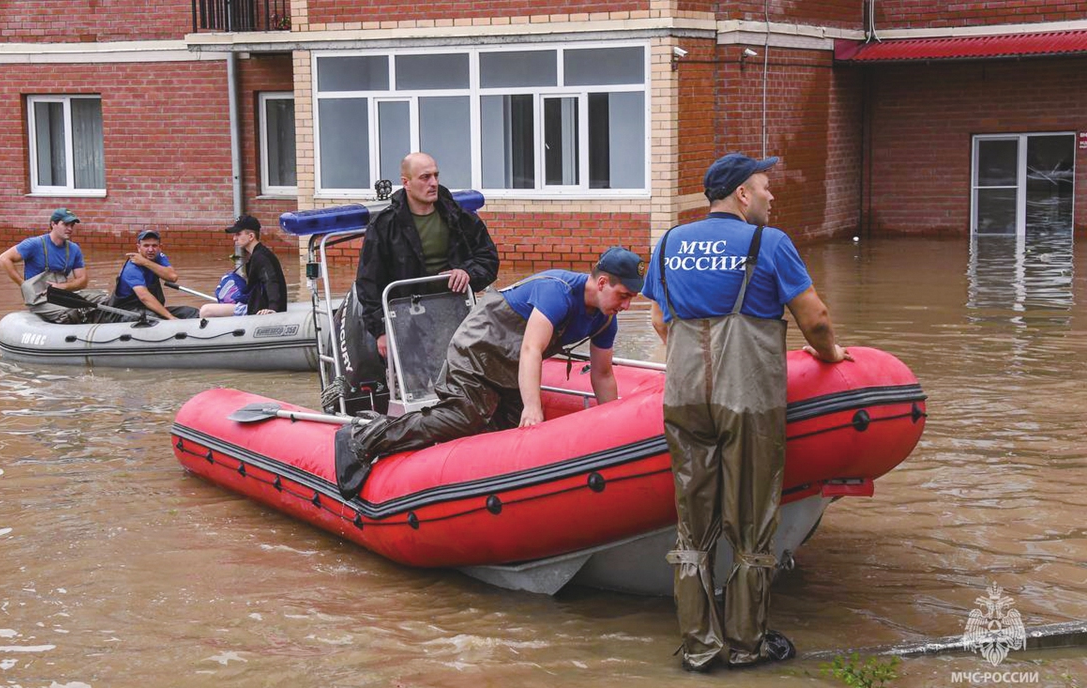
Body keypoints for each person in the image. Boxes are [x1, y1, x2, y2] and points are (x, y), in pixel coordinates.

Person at [642, 153, 850, 672]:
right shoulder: (770, 244)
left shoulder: (668, 243)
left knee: (693, 524)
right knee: (751, 520)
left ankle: (698, 644)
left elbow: (658, 319)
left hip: (684, 395)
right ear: (742, 195)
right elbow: (816, 319)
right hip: (748, 397)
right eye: (764, 187)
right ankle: (744, 644)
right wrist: (832, 357)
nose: (771, 196)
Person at [333, 247, 644, 499]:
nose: (627, 306)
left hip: (509, 369)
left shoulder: (605, 319)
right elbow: (531, 350)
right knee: (464, 415)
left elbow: (602, 375)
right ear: (602, 282)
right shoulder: (558, 292)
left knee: (508, 440)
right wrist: (533, 408)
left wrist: (613, 425)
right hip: (479, 350)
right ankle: (364, 437)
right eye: (624, 296)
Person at [355, 152, 499, 359]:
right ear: (406, 182)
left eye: (436, 176)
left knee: (459, 381)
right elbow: (369, 282)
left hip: (453, 314)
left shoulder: (458, 216)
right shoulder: (384, 226)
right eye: (425, 177)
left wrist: (467, 273)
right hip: (406, 319)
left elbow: (488, 259)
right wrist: (380, 331)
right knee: (413, 386)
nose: (433, 183)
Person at [0, 208, 108, 324]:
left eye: (72, 225)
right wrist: (23, 284)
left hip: (62, 295)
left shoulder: (74, 249)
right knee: (70, 313)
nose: (69, 229)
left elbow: (82, 280)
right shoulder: (34, 244)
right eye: (65, 224)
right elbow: (3, 259)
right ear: (53, 224)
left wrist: (62, 287)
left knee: (103, 299)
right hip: (40, 299)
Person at [100, 229, 200, 321]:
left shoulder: (158, 257)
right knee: (154, 319)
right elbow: (144, 296)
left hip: (148, 309)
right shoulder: (131, 268)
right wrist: (170, 317)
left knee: (191, 312)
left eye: (154, 246)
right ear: (138, 248)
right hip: (123, 313)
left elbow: (172, 277)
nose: (151, 249)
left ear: (160, 247)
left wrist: (145, 262)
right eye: (146, 246)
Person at [199, 215, 287, 318]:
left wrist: (272, 308)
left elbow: (272, 281)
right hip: (257, 304)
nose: (234, 238)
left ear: (251, 236)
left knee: (205, 311)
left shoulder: (261, 257)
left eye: (238, 234)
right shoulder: (258, 254)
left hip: (260, 309)